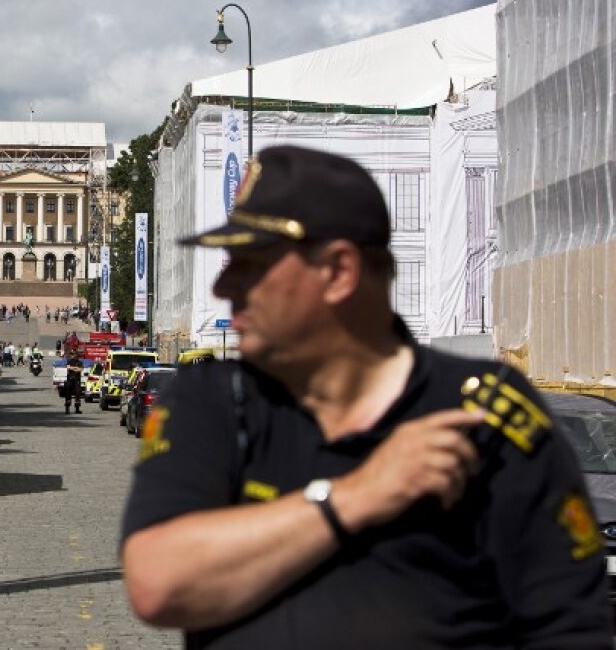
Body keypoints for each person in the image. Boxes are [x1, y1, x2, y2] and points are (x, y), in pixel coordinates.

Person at [120, 145, 611, 649]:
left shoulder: (483, 416)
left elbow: (570, 629)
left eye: (252, 264)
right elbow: (158, 584)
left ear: (339, 272)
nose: (225, 285)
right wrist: (356, 497)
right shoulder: (212, 401)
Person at [64, 350, 85, 414]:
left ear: (76, 354)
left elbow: (80, 369)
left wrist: (73, 368)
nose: (71, 355)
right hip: (70, 380)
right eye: (71, 354)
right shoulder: (69, 361)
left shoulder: (79, 362)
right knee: (68, 394)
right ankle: (67, 409)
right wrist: (75, 368)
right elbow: (68, 367)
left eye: (73, 354)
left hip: (77, 381)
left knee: (77, 394)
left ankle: (77, 409)